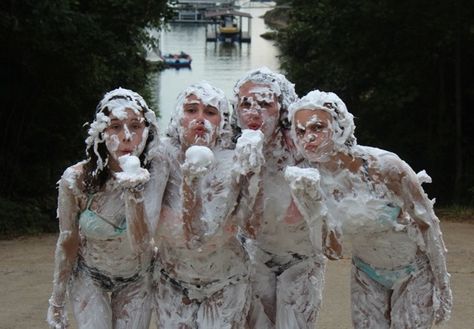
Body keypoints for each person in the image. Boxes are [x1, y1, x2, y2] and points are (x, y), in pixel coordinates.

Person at [285, 89, 453, 329]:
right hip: (366, 273)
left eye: (317, 128)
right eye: (300, 132)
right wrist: (312, 205)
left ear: (340, 126)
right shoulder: (308, 180)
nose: (307, 138)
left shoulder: (384, 167)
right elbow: (331, 251)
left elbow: (428, 224)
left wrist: (443, 285)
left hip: (414, 271)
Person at [47, 88, 165, 329]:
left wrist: (133, 191)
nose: (127, 136)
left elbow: (142, 242)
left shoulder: (157, 171)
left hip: (138, 277)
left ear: (147, 131)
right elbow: (68, 240)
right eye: (115, 127)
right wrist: (57, 300)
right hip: (90, 275)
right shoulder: (77, 179)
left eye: (136, 126)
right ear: (101, 132)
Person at [231, 67, 333, 329]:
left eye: (265, 104)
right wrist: (250, 172)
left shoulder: (303, 147)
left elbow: (329, 224)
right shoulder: (232, 149)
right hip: (256, 254)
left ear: (282, 109)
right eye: (246, 104)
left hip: (302, 258)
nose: (254, 112)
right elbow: (247, 227)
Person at [153, 81, 260, 328]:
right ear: (178, 116)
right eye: (192, 110)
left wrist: (192, 182)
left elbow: (199, 237)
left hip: (226, 279)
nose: (200, 119)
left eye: (210, 113)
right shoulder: (160, 155)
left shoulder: (231, 161)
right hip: (172, 278)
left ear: (221, 123)